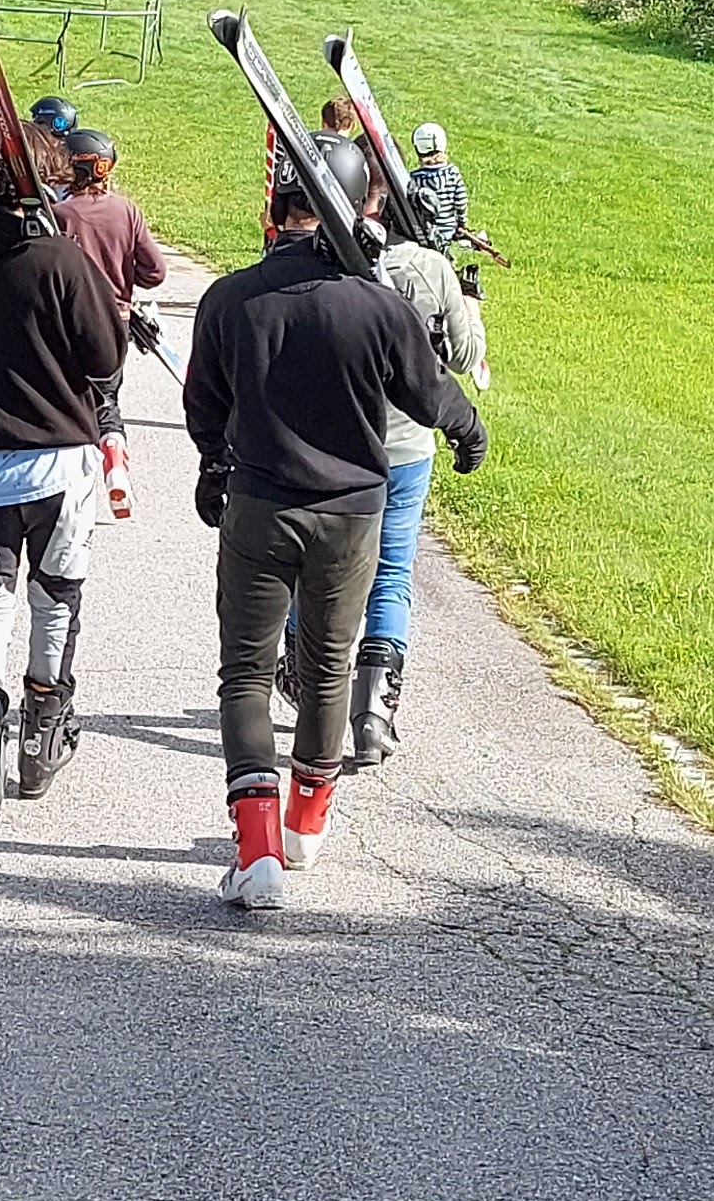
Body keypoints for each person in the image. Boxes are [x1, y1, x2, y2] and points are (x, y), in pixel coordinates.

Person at [184, 137, 486, 914]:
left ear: (275, 205)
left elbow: (203, 406)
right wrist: (469, 433)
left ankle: (256, 853)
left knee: (246, 674)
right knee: (327, 669)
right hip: (351, 516)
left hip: (260, 505)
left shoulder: (231, 299)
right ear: (362, 208)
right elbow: (432, 393)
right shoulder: (376, 305)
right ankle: (306, 825)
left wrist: (213, 466)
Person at [0, 114, 127, 827]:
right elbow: (106, 359)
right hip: (60, 464)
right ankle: (40, 738)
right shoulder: (60, 261)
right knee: (55, 599)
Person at [349, 206, 488, 767]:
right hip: (407, 446)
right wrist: (470, 306)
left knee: (317, 567)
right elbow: (463, 355)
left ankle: (302, 671)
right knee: (391, 573)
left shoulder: (339, 256)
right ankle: (374, 713)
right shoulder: (431, 268)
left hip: (339, 442)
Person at [56, 129, 168, 522]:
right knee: (107, 400)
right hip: (116, 321)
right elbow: (155, 272)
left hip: (68, 322)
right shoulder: (126, 211)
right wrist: (125, 277)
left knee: (67, 401)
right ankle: (114, 459)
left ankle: (72, 484)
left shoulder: (60, 215)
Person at [409, 121, 469, 251]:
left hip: (424, 232)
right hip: (448, 230)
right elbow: (461, 202)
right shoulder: (452, 172)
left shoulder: (415, 178)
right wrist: (462, 222)